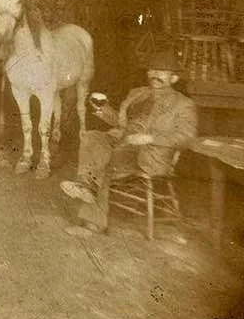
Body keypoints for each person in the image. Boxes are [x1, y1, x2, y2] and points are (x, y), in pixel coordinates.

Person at [60, 51, 198, 235]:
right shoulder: (138, 93)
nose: (155, 75)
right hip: (122, 141)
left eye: (162, 71)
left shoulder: (183, 104)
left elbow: (187, 137)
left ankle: (91, 222)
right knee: (91, 136)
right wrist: (102, 109)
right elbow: (121, 123)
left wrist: (150, 138)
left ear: (174, 77)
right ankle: (87, 185)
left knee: (104, 162)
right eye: (152, 70)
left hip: (148, 152)